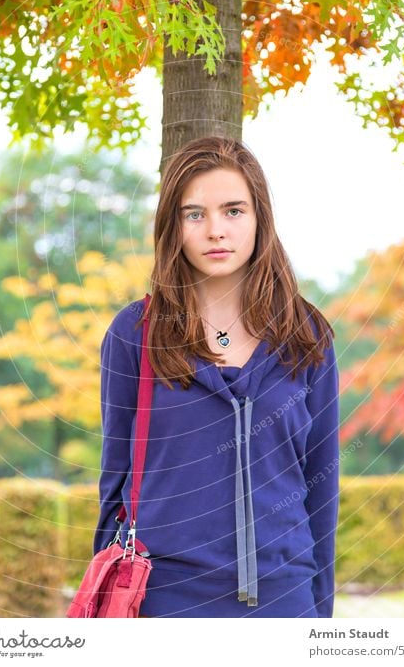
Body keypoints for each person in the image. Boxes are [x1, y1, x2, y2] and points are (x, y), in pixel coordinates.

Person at [93, 136, 340, 618]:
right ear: (174, 226)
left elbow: (322, 485)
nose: (215, 231)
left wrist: (319, 615)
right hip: (161, 603)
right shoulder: (135, 334)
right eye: (194, 214)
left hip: (283, 602)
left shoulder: (307, 336)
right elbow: (114, 482)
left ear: (259, 219)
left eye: (233, 210)